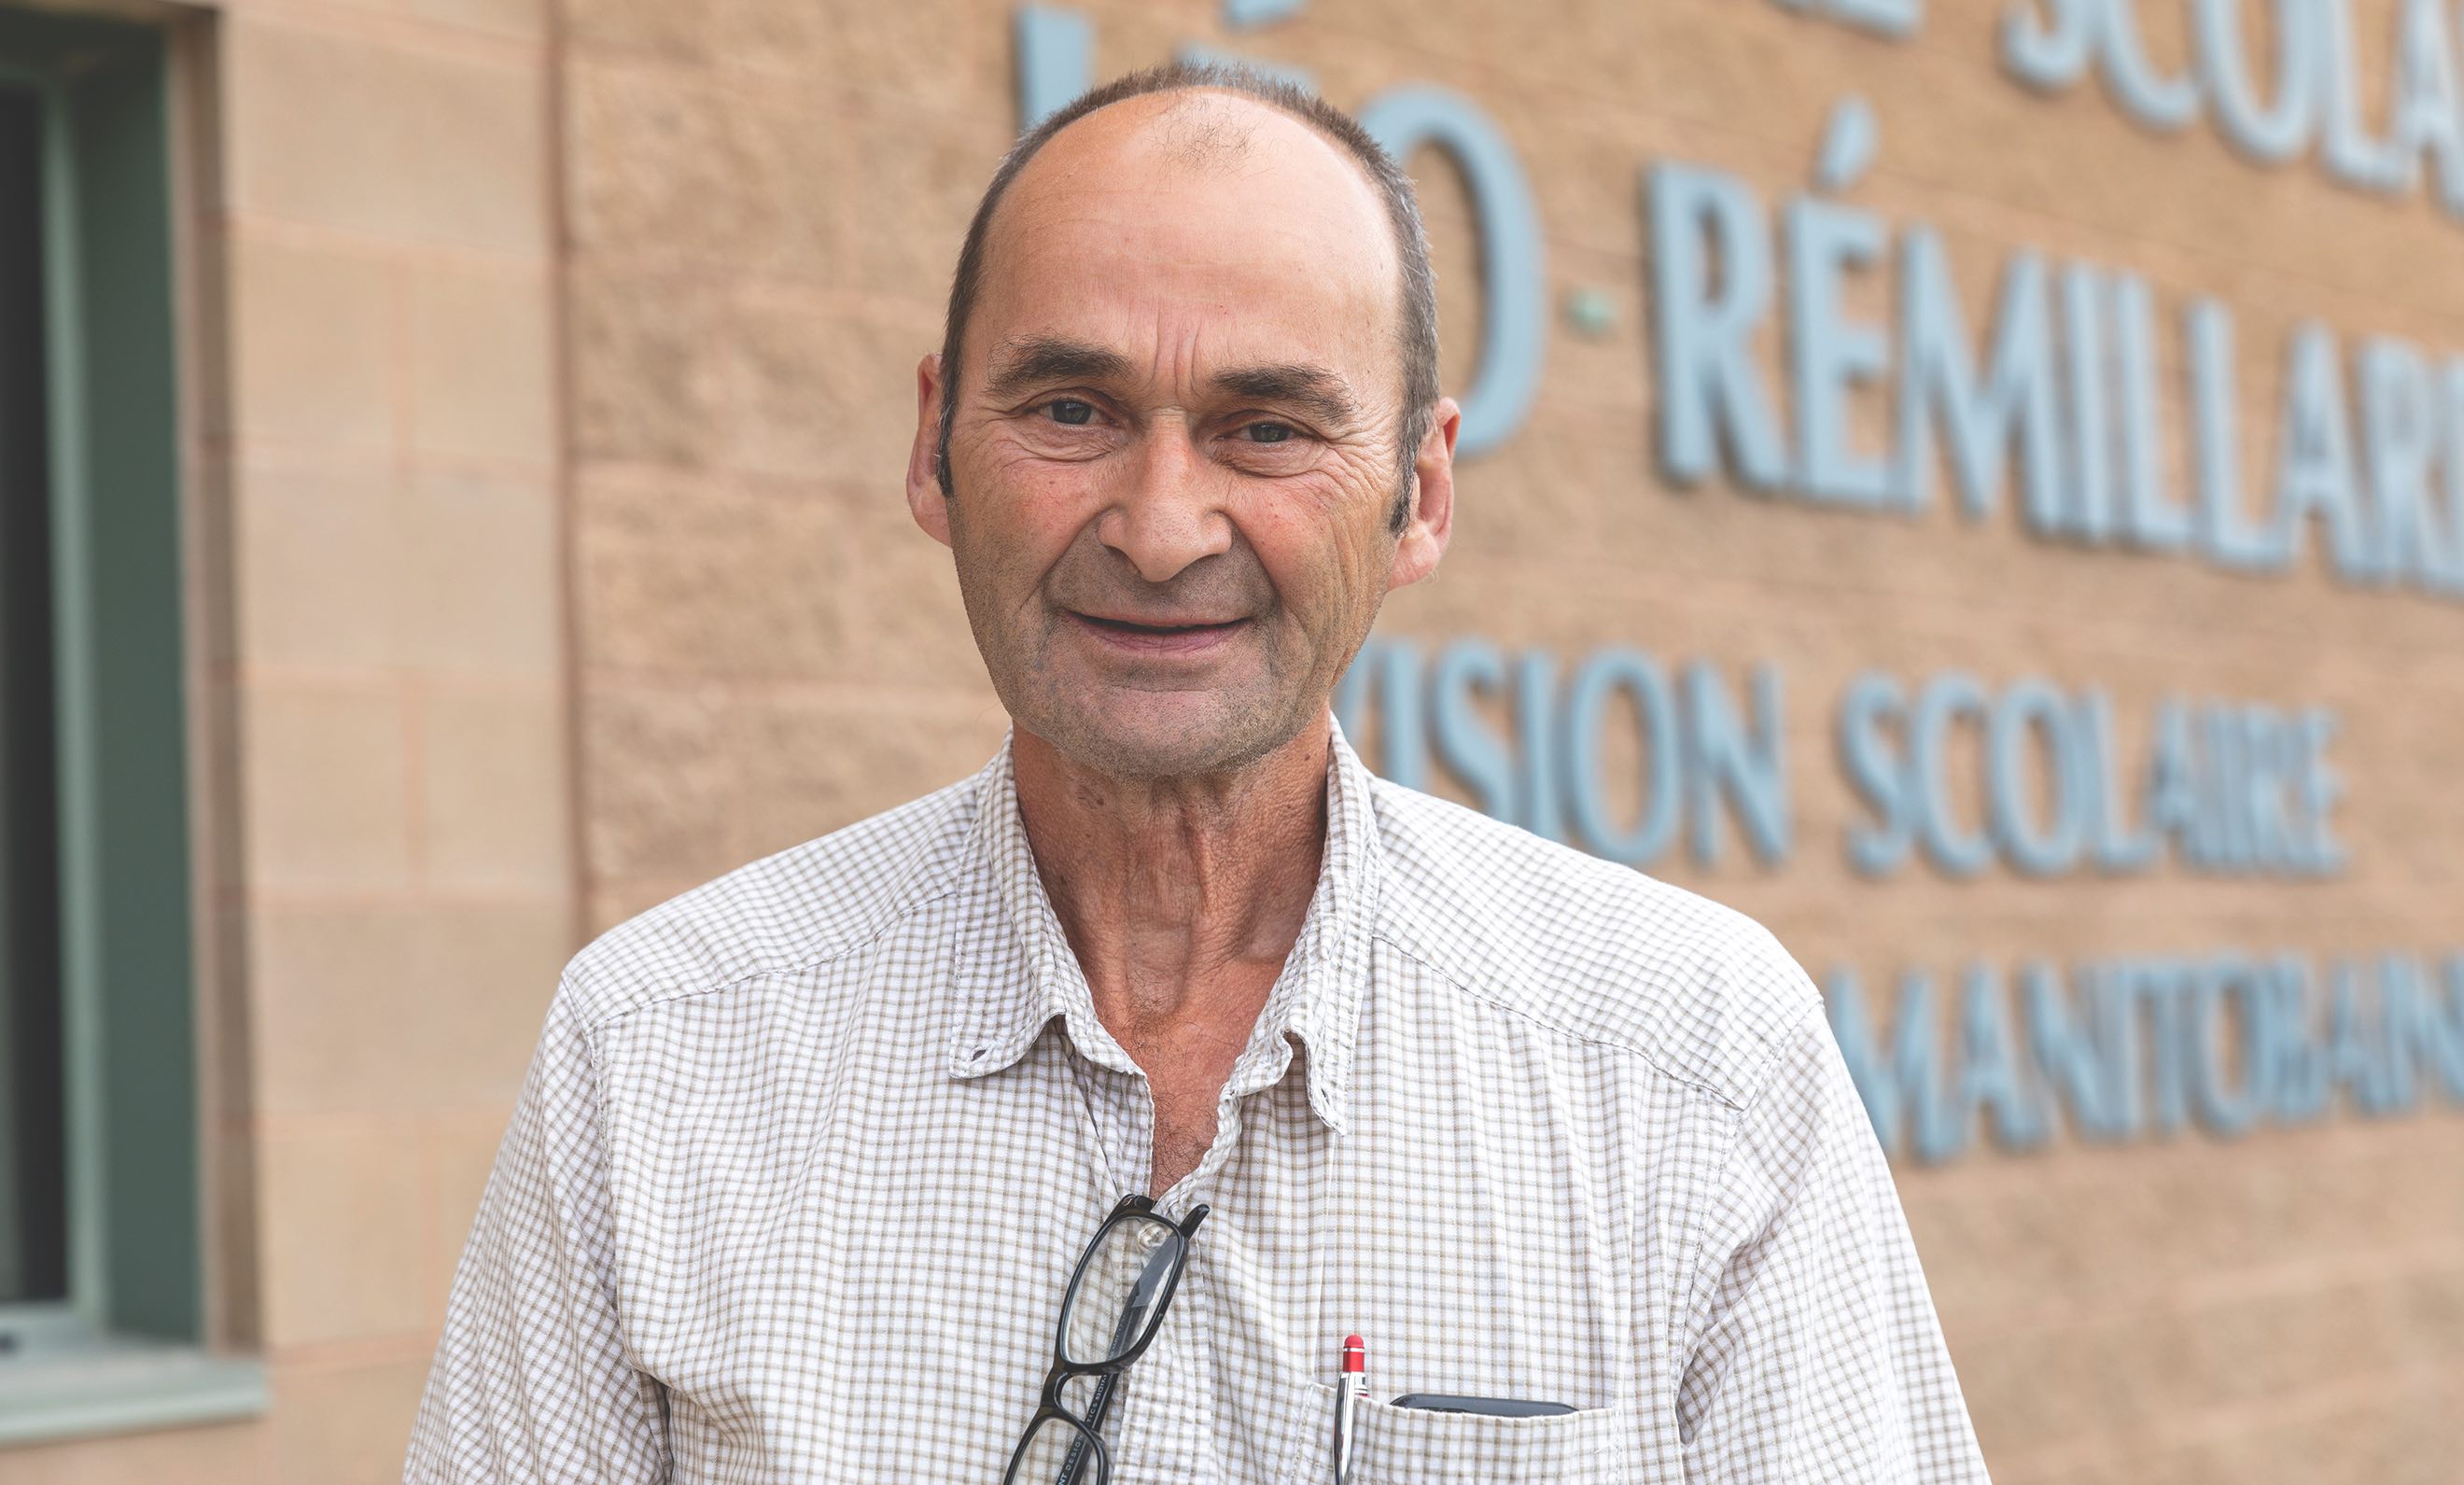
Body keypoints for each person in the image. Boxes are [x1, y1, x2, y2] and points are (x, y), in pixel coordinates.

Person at [406, 63, 1990, 1484]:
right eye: (1072, 409)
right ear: (932, 446)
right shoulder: (655, 1064)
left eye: (1267, 430)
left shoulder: (1692, 1065)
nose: (1162, 528)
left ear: (1419, 497)